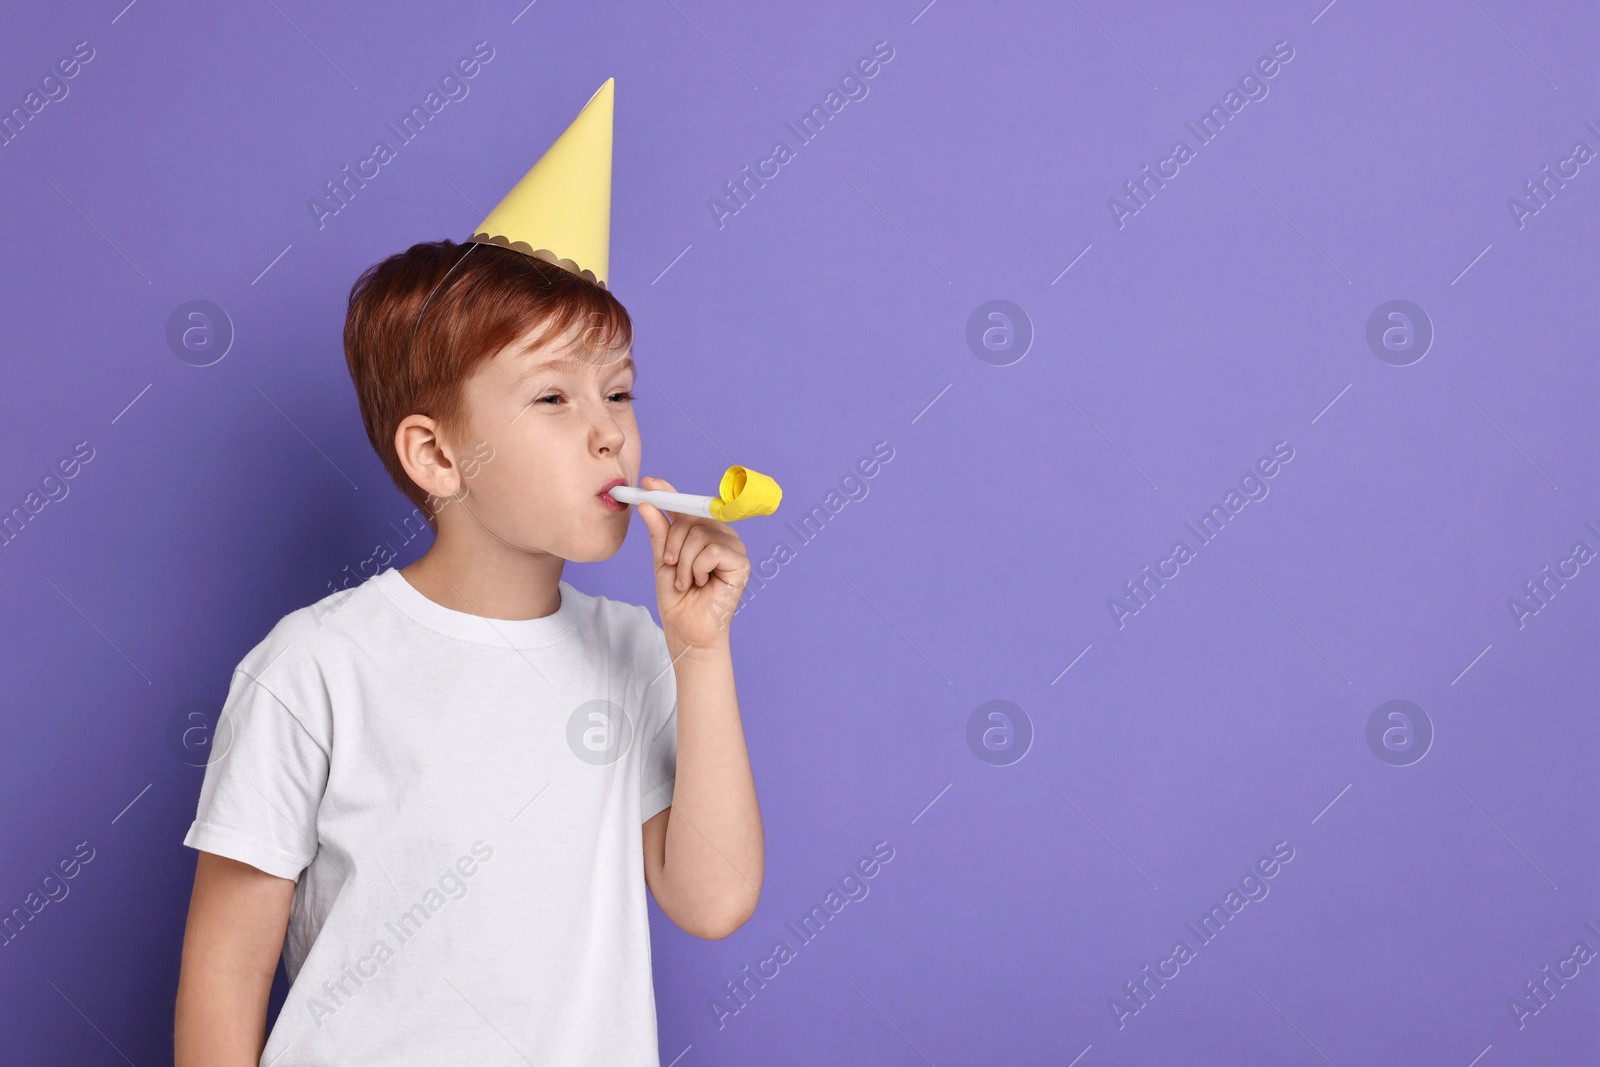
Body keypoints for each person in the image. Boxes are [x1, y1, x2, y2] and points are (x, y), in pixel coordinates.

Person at [172, 78, 763, 1066]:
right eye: (552, 397)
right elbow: (223, 973)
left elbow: (711, 901)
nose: (609, 431)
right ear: (438, 457)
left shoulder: (633, 651)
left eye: (617, 389)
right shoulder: (317, 666)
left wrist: (700, 652)